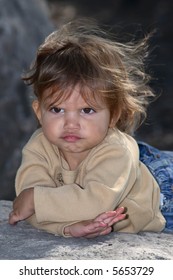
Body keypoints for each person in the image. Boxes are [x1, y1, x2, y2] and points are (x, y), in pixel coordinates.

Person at [8, 19, 172, 238]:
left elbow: (91, 203)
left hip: (161, 192)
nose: (71, 123)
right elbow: (29, 209)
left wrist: (36, 199)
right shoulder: (38, 147)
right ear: (39, 112)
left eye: (87, 110)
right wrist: (66, 228)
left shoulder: (117, 149)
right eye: (57, 109)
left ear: (113, 115)